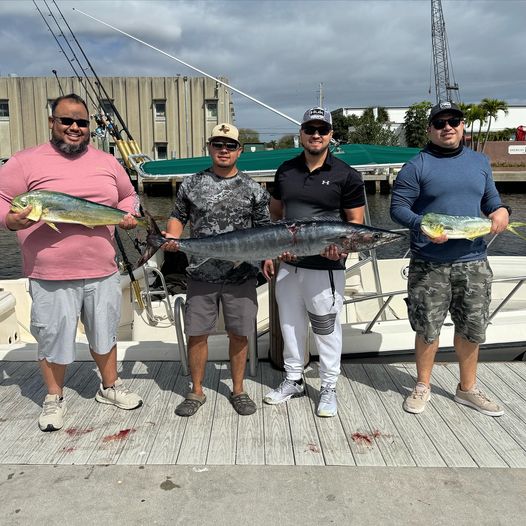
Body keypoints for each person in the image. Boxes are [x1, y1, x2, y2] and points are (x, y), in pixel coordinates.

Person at [0, 93, 143, 432]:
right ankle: (54, 397)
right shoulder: (24, 161)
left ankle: (110, 387)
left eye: (81, 122)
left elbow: (129, 195)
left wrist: (130, 214)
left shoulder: (107, 162)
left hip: (103, 269)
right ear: (52, 122)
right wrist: (9, 220)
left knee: (104, 332)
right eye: (66, 120)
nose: (74, 127)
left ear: (89, 127)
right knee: (52, 337)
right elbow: (3, 200)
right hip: (50, 272)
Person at [390, 100, 510, 417]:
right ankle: (422, 385)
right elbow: (398, 208)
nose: (447, 127)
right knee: (427, 327)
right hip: (430, 261)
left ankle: (467, 389)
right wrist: (423, 225)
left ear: (462, 126)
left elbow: (492, 200)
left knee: (472, 327)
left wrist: (502, 211)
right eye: (440, 123)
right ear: (429, 129)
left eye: (453, 121)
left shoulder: (480, 162)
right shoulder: (417, 165)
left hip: (473, 259)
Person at [262, 107, 365, 417]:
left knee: (325, 328)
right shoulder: (285, 171)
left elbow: (355, 225)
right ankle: (294, 378)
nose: (316, 134)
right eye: (310, 129)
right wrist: (272, 249)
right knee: (290, 325)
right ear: (301, 133)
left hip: (325, 267)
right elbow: (275, 215)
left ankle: (329, 385)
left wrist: (341, 250)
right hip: (289, 265)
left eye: (322, 129)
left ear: (331, 135)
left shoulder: (346, 174)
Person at [163, 123, 270, 417]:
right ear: (209, 147)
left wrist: (269, 258)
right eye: (218, 144)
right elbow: (177, 218)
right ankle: (196, 391)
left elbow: (263, 231)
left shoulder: (254, 189)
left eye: (230, 145)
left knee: (240, 333)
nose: (224, 150)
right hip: (200, 272)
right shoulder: (191, 183)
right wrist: (172, 237)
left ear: (240, 151)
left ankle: (238, 390)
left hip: (242, 275)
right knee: (197, 333)